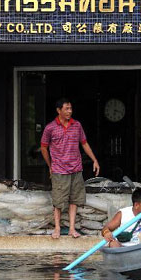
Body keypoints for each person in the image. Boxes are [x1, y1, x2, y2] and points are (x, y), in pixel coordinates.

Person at [40, 98, 100, 239]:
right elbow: (43, 147)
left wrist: (94, 160)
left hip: (76, 169)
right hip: (59, 170)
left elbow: (84, 144)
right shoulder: (50, 128)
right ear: (58, 110)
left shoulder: (77, 125)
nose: (69, 111)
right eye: (66, 109)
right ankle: (57, 228)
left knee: (74, 200)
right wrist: (50, 165)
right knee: (59, 201)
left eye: (70, 108)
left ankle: (72, 228)